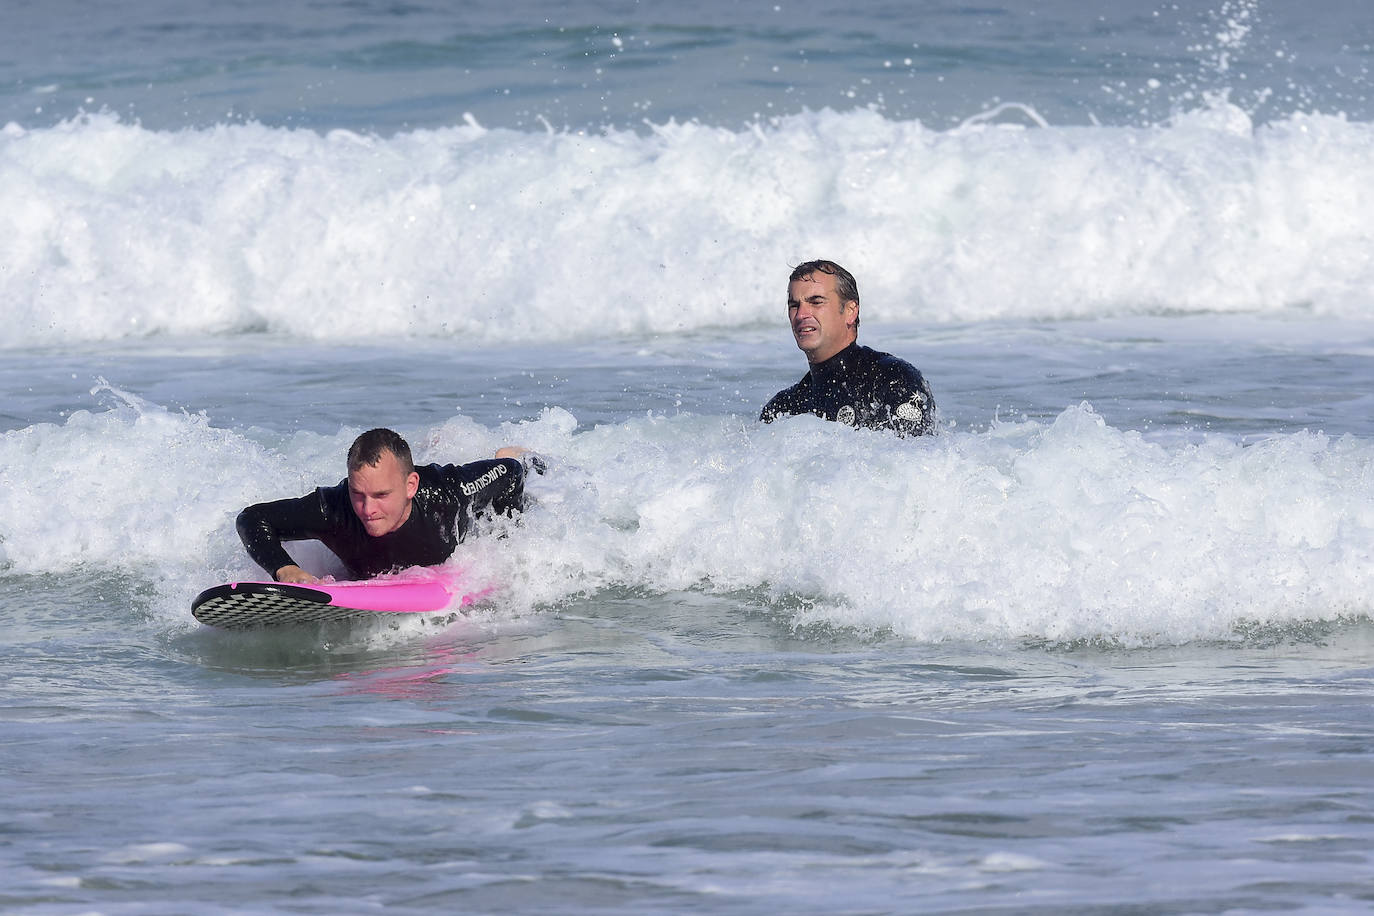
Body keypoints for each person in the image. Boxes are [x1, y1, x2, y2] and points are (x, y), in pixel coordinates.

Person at [237, 427, 537, 583]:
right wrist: (284, 568)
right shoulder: (334, 509)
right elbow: (252, 519)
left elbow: (510, 473)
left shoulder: (446, 494)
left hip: (486, 473)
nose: (367, 510)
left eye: (381, 496)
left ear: (411, 486)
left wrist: (503, 544)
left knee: (518, 463)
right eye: (358, 494)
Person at [759, 259, 935, 436]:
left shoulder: (893, 378)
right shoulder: (784, 408)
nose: (801, 314)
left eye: (816, 302)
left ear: (851, 311)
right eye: (794, 305)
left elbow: (916, 457)